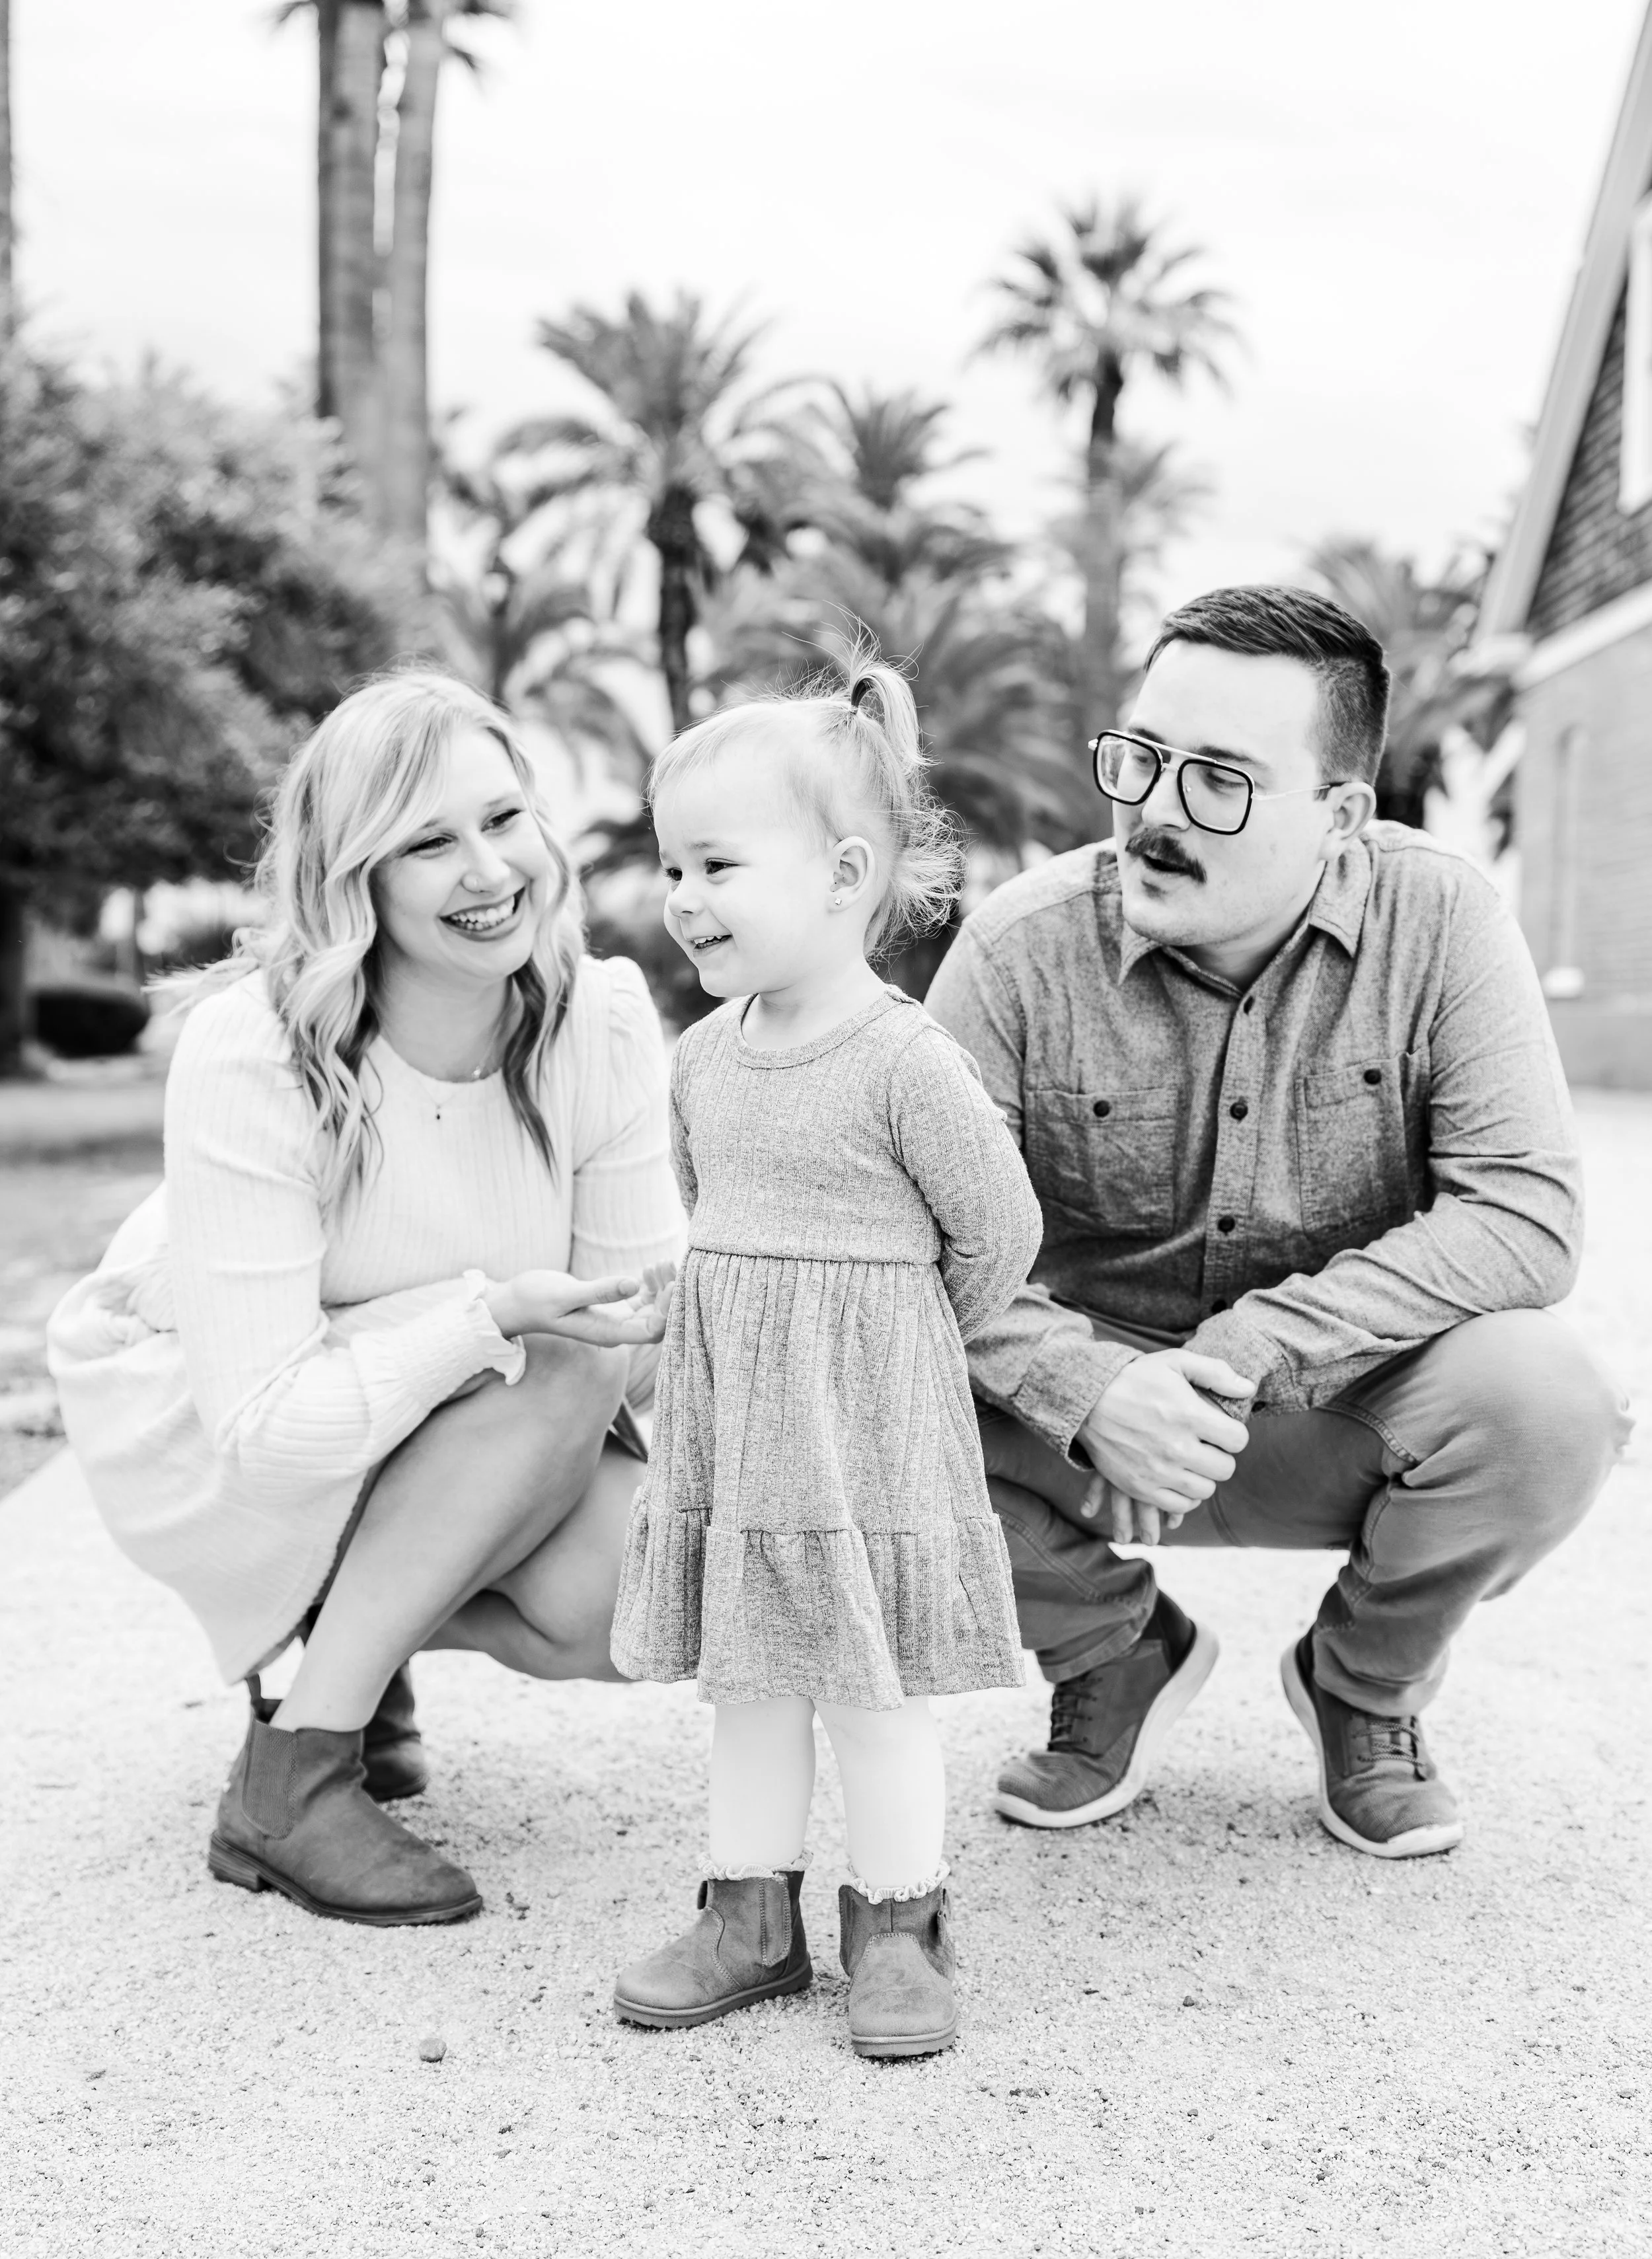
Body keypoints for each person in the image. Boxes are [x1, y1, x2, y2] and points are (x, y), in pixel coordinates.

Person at [926, 585, 1630, 1861]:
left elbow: (1527, 1212)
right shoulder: (1016, 953)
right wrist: (1088, 1387)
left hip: (1334, 1408)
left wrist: (1246, 1354)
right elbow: (912, 1248)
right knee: (845, 1367)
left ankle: (1363, 1685)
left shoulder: (1445, 921)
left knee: (1550, 1402)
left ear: (1343, 815)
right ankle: (1113, 1650)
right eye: (1142, 758)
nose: (1153, 810)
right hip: (1078, 1446)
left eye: (1218, 780)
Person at [49, 671, 681, 1925]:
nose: (489, 869)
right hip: (207, 1414)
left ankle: (351, 1632)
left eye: (504, 819)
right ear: (357, 880)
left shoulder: (601, 1019)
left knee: (650, 1598)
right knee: (552, 1357)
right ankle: (293, 1776)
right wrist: (490, 1317)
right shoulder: (257, 1050)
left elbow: (638, 1342)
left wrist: (620, 1318)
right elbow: (268, 1434)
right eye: (429, 842)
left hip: (453, 1408)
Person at [606, 653, 1043, 2057]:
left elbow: (994, 1233)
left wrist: (897, 1344)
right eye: (673, 865)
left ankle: (898, 1922)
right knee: (749, 1675)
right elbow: (708, 1218)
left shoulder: (905, 1062)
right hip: (740, 1428)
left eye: (717, 864)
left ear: (843, 873)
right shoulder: (699, 1061)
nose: (683, 898)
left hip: (867, 1425)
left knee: (873, 1684)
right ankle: (747, 1915)